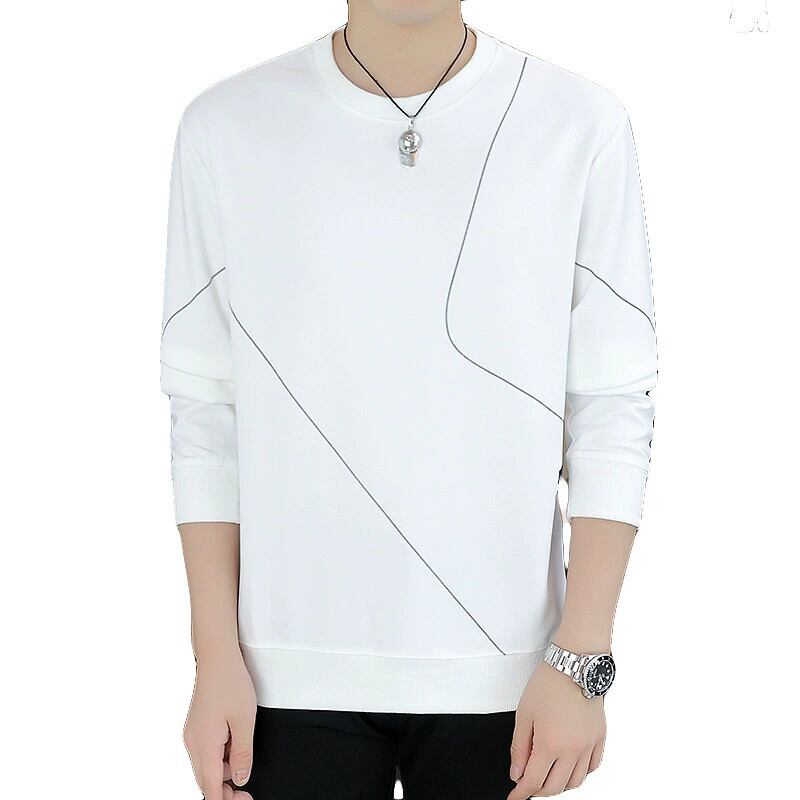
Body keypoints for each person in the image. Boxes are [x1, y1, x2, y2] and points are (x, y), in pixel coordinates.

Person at [159, 1, 658, 798]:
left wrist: (581, 658)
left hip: (513, 679)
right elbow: (206, 410)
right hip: (284, 675)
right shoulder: (226, 129)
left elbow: (611, 404)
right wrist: (214, 658)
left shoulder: (578, 123)